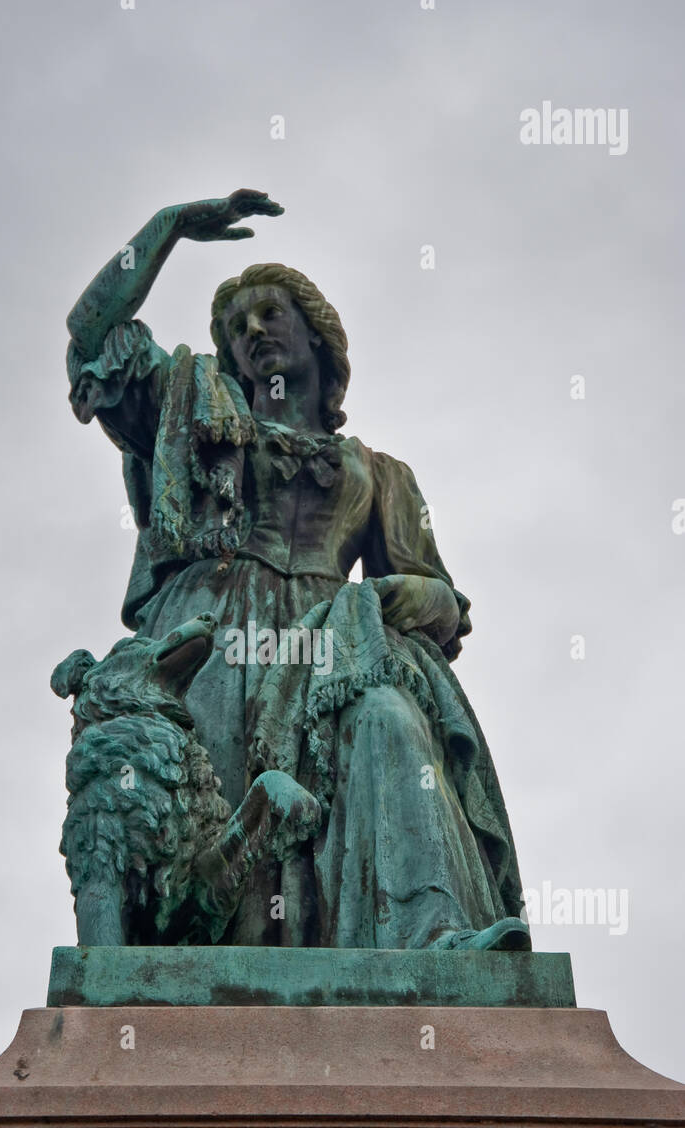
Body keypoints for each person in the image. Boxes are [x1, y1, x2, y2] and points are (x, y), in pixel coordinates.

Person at [65, 190, 529, 950]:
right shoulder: (190, 409)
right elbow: (91, 337)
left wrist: (402, 595)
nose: (252, 334)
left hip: (333, 649)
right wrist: (170, 228)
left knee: (389, 725)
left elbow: (444, 604)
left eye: (270, 315)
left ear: (317, 339)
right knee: (206, 836)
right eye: (236, 328)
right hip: (208, 643)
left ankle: (429, 939)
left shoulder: (378, 474)